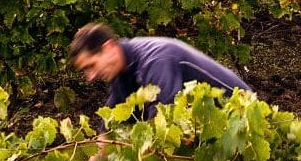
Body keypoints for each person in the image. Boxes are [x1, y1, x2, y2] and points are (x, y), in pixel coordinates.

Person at [70, 22, 252, 121]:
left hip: (243, 115)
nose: (90, 77)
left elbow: (162, 122)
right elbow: (107, 134)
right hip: (211, 123)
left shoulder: (155, 60)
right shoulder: (121, 73)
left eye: (91, 66)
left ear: (109, 48)